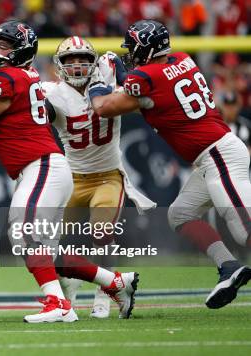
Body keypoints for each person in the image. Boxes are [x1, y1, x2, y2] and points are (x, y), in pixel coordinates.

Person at [0, 20, 138, 322]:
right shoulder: (20, 76)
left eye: (3, 45)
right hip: (43, 169)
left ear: (20, 50)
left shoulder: (8, 78)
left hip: (42, 166)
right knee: (44, 251)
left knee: (24, 232)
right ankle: (116, 283)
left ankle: (58, 303)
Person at [88, 19, 251, 309]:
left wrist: (99, 84)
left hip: (219, 155)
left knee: (244, 229)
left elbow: (105, 108)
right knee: (180, 214)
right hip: (212, 157)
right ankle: (228, 267)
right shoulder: (181, 59)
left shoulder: (148, 77)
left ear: (147, 49)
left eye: (134, 48)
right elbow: (148, 84)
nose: (131, 53)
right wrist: (125, 76)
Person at [42, 36, 156, 318]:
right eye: (71, 60)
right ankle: (66, 296)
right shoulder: (51, 94)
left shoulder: (109, 82)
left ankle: (105, 293)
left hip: (107, 177)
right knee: (48, 246)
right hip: (71, 179)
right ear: (60, 65)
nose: (78, 65)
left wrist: (123, 76)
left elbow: (143, 98)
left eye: (83, 59)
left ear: (93, 63)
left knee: (101, 232)